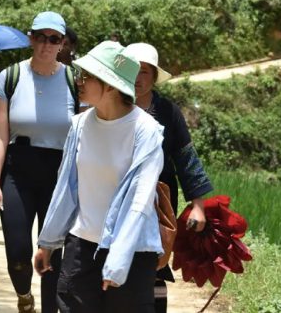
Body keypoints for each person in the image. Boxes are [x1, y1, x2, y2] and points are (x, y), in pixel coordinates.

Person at [34, 41, 165, 313]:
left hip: (132, 252)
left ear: (110, 85)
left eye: (87, 76)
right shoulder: (80, 125)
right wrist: (48, 242)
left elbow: (139, 203)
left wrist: (118, 260)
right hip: (81, 247)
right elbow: (66, 189)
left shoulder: (146, 131)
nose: (79, 81)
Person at [0, 11, 77, 313]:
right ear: (30, 38)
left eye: (54, 39)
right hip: (18, 170)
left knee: (54, 253)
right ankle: (24, 297)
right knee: (18, 252)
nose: (46, 45)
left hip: (60, 173)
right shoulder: (10, 77)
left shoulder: (73, 80)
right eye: (40, 37)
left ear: (62, 43)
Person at [125, 43, 213, 313]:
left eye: (145, 72)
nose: (138, 79)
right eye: (132, 71)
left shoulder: (169, 112)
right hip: (118, 196)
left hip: (159, 200)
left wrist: (197, 205)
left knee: (155, 262)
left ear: (153, 77)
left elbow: (186, 158)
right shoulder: (113, 106)